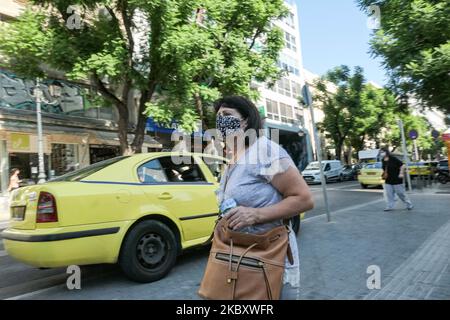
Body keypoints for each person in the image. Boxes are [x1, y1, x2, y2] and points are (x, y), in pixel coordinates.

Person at [212, 96, 314, 299]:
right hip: (242, 255)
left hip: (270, 257)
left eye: (227, 115)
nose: (221, 121)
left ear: (246, 120)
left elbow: (304, 199)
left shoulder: (265, 151)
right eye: (218, 117)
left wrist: (256, 215)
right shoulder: (234, 158)